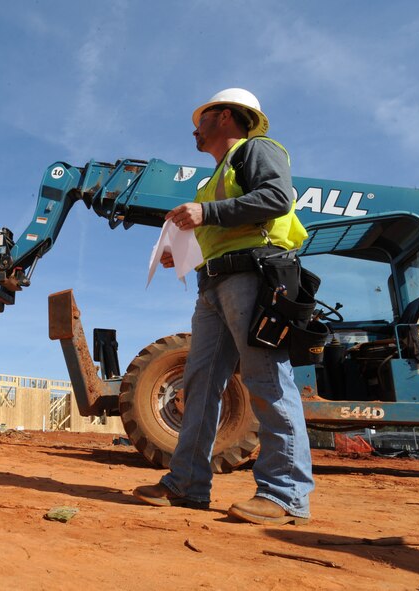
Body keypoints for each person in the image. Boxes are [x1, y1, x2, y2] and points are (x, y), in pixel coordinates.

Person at [132, 88, 315, 525]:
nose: (195, 126)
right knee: (198, 386)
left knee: (266, 379)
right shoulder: (214, 178)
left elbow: (277, 199)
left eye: (203, 116)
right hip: (214, 284)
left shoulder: (257, 150)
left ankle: (285, 494)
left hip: (254, 276)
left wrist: (205, 214)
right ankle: (186, 485)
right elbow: (224, 228)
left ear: (227, 116)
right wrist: (187, 251)